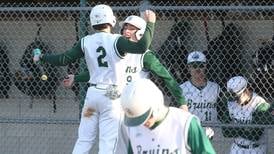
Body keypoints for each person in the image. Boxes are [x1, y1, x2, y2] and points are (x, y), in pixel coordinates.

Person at [33, 4, 156, 154]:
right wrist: (150, 23)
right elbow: (142, 47)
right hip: (112, 95)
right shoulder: (117, 40)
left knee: (84, 139)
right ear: (112, 20)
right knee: (107, 142)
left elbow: (64, 59)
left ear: (92, 22)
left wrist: (42, 57)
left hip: (92, 95)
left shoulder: (86, 41)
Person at [64, 15, 188, 111]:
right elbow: (99, 73)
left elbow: (166, 77)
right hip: (116, 102)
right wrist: (76, 78)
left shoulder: (145, 56)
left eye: (131, 28)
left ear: (141, 32)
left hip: (136, 102)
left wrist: (182, 102)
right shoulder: (116, 49)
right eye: (125, 27)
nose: (125, 30)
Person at [119, 78, 216, 154]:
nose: (142, 123)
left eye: (145, 117)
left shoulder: (184, 123)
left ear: (155, 105)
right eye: (137, 119)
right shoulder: (134, 128)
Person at [217, 76, 273, 154]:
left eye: (237, 97)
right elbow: (225, 132)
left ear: (246, 90)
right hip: (236, 148)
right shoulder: (230, 102)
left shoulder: (259, 104)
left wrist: (235, 128)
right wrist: (245, 129)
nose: (234, 100)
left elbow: (254, 135)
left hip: (256, 149)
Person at [180, 51, 220, 139]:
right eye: (194, 66)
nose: (198, 69)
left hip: (214, 133)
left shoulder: (215, 88)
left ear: (206, 67)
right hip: (190, 133)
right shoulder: (181, 89)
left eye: (201, 65)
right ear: (188, 68)